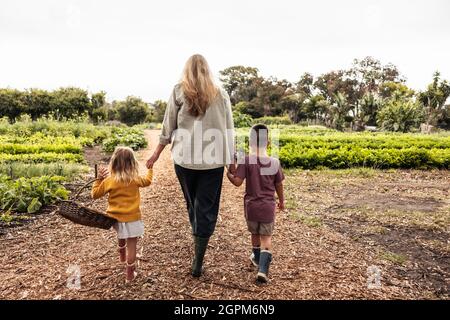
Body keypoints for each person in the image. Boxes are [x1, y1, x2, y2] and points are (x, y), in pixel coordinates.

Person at [146, 54, 234, 277]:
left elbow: (168, 126)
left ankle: (197, 239)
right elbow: (228, 129)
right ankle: (198, 260)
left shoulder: (178, 91)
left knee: (192, 203)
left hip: (184, 161)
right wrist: (231, 161)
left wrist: (157, 153)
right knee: (205, 207)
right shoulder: (220, 93)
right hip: (212, 164)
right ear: (207, 70)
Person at [226, 124, 285, 283]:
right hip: (267, 207)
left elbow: (237, 182)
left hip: (251, 207)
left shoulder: (247, 160)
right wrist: (282, 201)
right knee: (266, 238)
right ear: (268, 143)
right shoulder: (274, 162)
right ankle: (263, 270)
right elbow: (279, 185)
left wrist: (229, 175)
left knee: (255, 235)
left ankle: (257, 259)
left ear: (251, 143)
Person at [92, 146, 153, 282]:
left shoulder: (109, 180)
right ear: (132, 163)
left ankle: (122, 255)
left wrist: (98, 179)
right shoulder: (135, 179)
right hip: (132, 217)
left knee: (121, 233)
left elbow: (94, 194)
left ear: (113, 163)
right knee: (132, 244)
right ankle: (130, 275)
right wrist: (150, 169)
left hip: (115, 219)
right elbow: (148, 181)